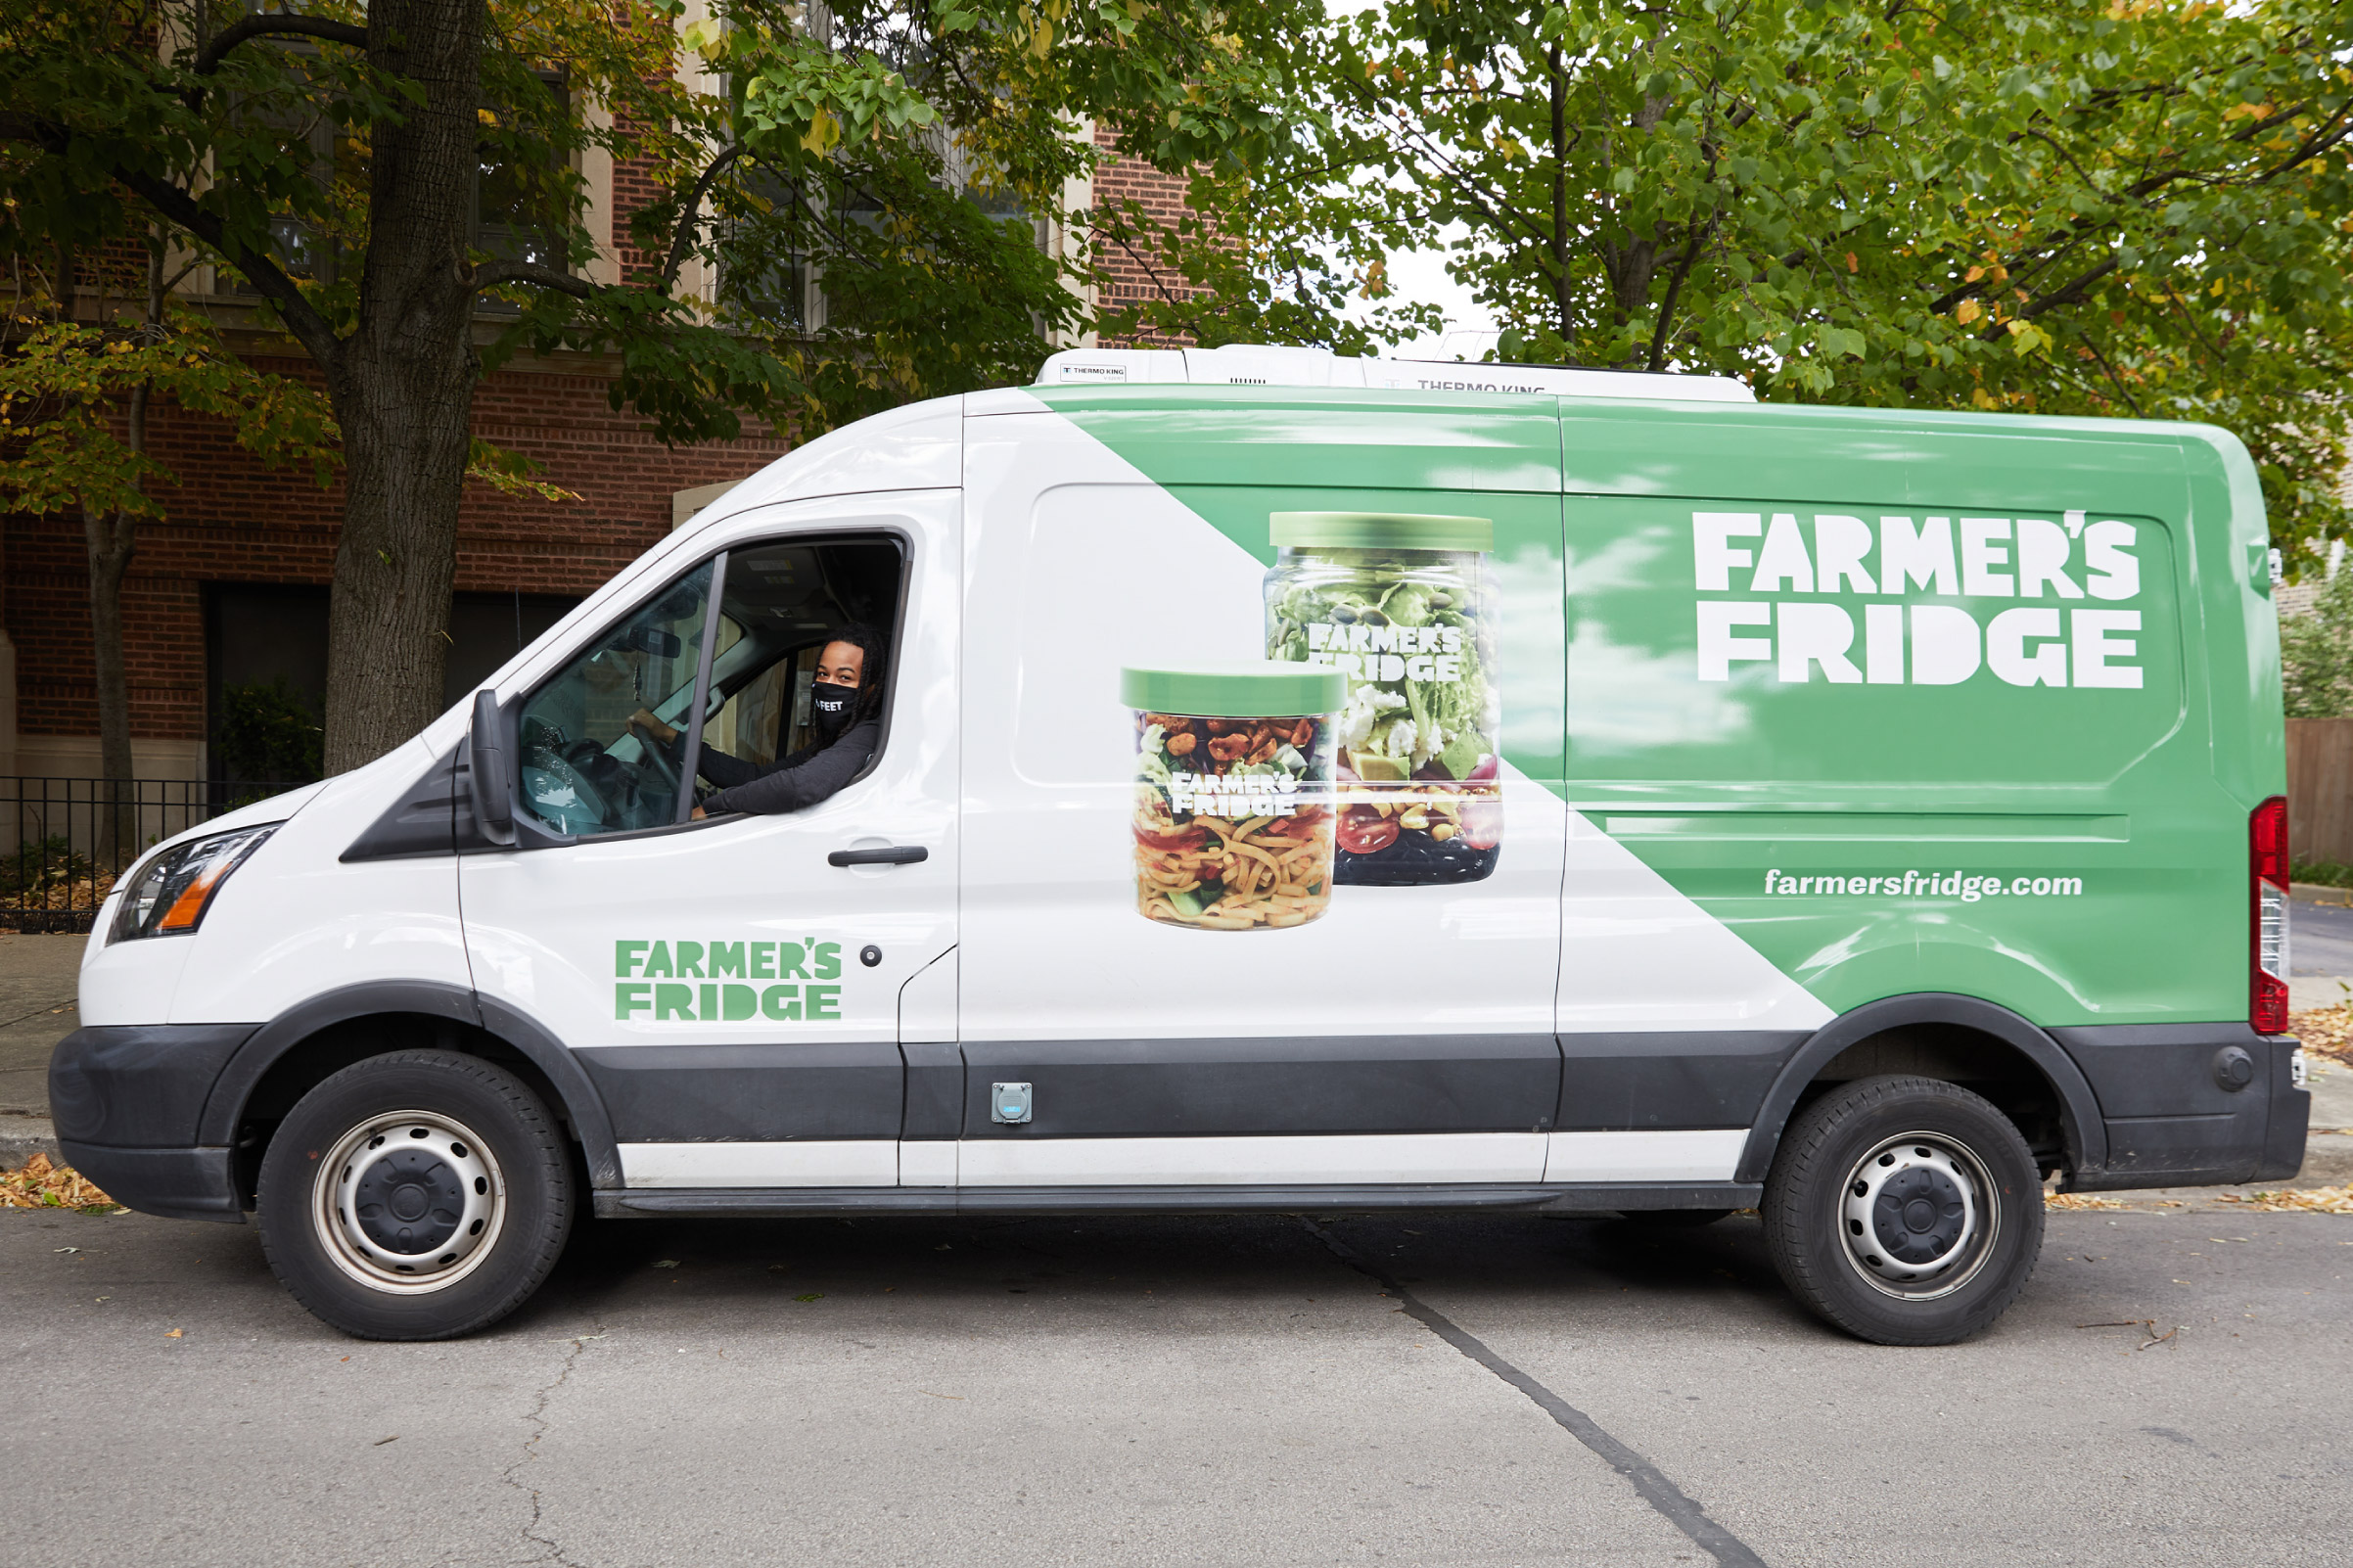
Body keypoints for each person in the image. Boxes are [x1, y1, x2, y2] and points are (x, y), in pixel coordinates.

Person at [629, 624, 886, 817]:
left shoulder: (868, 736)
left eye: (844, 678)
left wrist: (713, 806)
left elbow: (801, 786)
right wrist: (669, 735)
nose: (829, 684)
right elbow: (754, 777)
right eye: (822, 674)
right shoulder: (831, 742)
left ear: (871, 689)